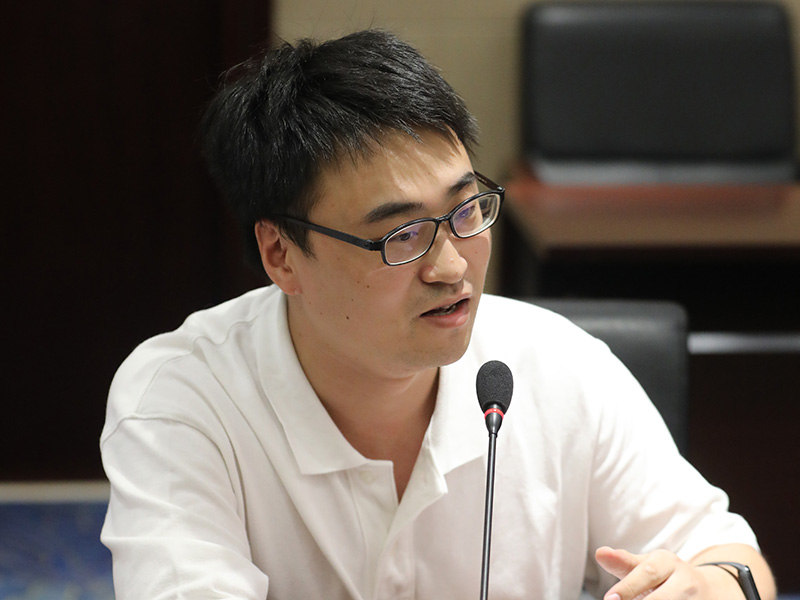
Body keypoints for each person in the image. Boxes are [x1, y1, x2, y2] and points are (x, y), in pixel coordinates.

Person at [100, 29, 776, 600]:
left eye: (465, 209)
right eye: (401, 236)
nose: (452, 267)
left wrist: (708, 585)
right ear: (281, 255)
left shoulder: (556, 365)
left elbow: (730, 558)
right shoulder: (183, 401)